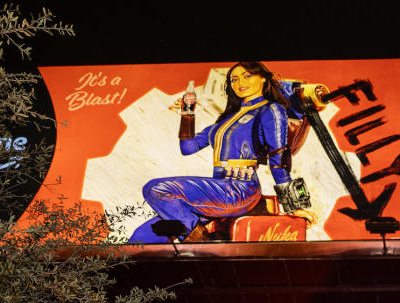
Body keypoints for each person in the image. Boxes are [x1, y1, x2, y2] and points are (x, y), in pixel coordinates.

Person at [129, 61, 315, 244]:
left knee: (156, 189)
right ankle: (193, 238)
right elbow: (188, 148)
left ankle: (200, 242)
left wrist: (297, 207)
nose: (240, 83)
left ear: (263, 79)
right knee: (144, 235)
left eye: (247, 76)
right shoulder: (225, 121)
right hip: (219, 189)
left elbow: (279, 158)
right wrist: (187, 114)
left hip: (240, 190)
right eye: (234, 79)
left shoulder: (271, 109)